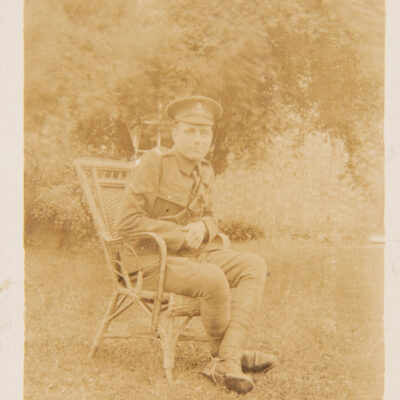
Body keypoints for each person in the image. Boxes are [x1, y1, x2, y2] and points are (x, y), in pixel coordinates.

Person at [117, 95, 275, 394]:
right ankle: (228, 358)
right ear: (175, 133)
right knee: (213, 278)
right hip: (149, 259)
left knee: (253, 264)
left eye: (205, 132)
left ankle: (227, 356)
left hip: (190, 257)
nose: (198, 139)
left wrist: (203, 226)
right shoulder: (155, 163)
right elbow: (126, 223)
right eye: (190, 131)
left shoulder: (206, 170)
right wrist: (178, 234)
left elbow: (212, 216)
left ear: (211, 137)